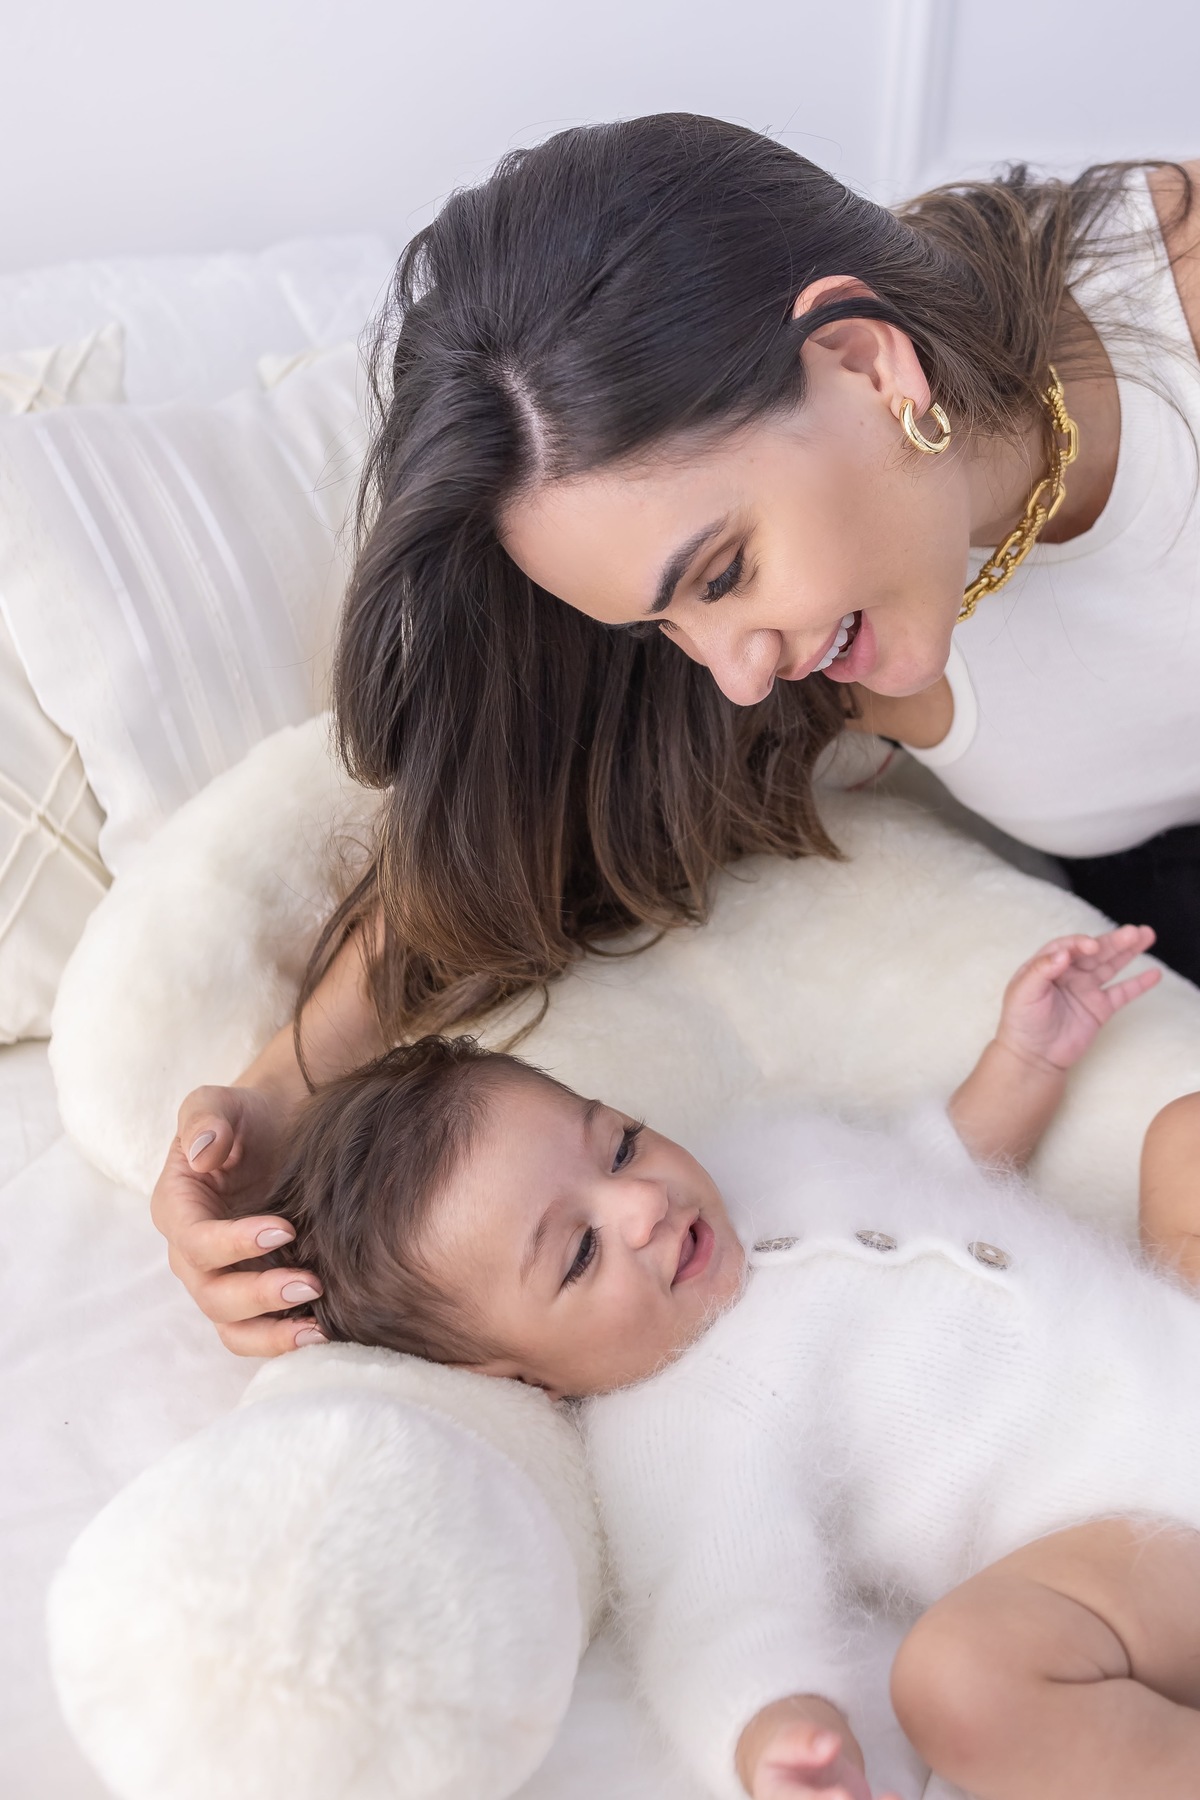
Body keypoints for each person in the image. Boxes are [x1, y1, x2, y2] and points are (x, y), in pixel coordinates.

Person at [152, 115, 1200, 1353]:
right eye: (668, 628)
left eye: (721, 574)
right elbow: (531, 829)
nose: (739, 674)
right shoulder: (816, 643)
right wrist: (277, 1103)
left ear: (867, 361)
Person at [223, 922, 1200, 1800]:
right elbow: (718, 1616)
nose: (641, 1205)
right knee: (962, 1680)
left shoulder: (758, 1152)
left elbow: (932, 1160)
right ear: (526, 1377)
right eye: (578, 1254)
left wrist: (1024, 1057)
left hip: (1176, 1325)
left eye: (616, 1147)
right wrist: (773, 1734)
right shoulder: (672, 1422)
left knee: (1186, 1134)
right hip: (1142, 1527)